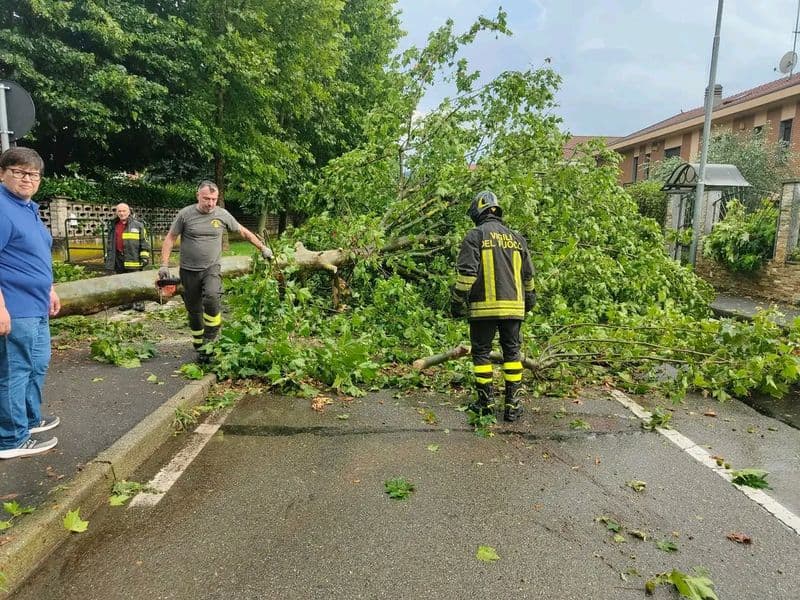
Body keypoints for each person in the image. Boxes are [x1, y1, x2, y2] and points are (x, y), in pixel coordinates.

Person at [158, 181, 273, 363]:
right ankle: (199, 345)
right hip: (188, 271)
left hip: (211, 268)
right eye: (206, 199)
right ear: (198, 196)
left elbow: (243, 232)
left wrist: (263, 248)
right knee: (194, 311)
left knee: (211, 298)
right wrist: (164, 265)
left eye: (214, 199)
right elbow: (170, 238)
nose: (210, 203)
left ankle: (210, 338)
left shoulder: (222, 214)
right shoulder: (185, 214)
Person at [451, 190, 535, 422]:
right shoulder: (517, 238)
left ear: (478, 211)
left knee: (481, 353)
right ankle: (513, 404)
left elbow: (467, 274)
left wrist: (457, 300)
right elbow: (528, 275)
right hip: (514, 309)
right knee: (512, 352)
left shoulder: (475, 235)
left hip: (483, 309)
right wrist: (530, 298)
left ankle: (485, 403)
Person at [0, 147, 60, 459]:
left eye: (33, 174)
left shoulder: (29, 208)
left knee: (36, 365)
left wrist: (50, 289)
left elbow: (35, 254)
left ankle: (28, 420)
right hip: (15, 307)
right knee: (14, 371)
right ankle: (10, 438)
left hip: (37, 305)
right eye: (20, 172)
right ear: (2, 173)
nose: (28, 178)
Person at [105, 203, 151, 311]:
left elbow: (144, 243)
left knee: (136, 282)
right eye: (119, 211)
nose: (121, 213)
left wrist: (144, 257)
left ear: (129, 211)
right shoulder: (113, 225)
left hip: (133, 258)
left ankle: (139, 303)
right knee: (122, 282)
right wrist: (108, 256)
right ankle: (127, 303)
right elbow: (110, 243)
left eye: (124, 211)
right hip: (118, 258)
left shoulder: (138, 225)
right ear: (117, 212)